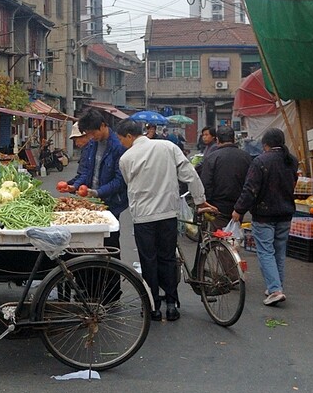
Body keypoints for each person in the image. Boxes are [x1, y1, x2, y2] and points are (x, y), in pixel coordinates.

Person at [116, 119, 213, 322]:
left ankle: (152, 307)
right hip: (167, 214)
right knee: (167, 258)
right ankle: (171, 305)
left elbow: (128, 184)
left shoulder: (126, 158)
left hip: (143, 217)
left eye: (121, 139)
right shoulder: (168, 146)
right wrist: (200, 200)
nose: (121, 143)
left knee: (148, 260)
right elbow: (190, 174)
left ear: (128, 136)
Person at [231, 128, 299, 307]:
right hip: (285, 213)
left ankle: (275, 289)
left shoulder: (260, 161)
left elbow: (250, 189)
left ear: (265, 144)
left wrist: (239, 209)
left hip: (264, 215)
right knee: (279, 252)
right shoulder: (292, 161)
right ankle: (276, 287)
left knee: (266, 251)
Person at [65, 110, 128, 257]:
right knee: (92, 246)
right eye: (89, 134)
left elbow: (119, 181)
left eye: (93, 133)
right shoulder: (93, 144)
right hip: (93, 202)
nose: (91, 137)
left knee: (110, 245)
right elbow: (87, 171)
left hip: (111, 204)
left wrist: (97, 192)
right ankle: (95, 277)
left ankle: (112, 279)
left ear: (103, 126)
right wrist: (75, 186)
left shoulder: (118, 146)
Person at [199, 126, 252, 229]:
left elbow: (206, 183)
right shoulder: (246, 157)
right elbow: (251, 183)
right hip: (239, 206)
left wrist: (207, 203)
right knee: (233, 238)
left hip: (217, 207)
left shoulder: (212, 157)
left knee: (216, 237)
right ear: (234, 139)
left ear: (217, 140)